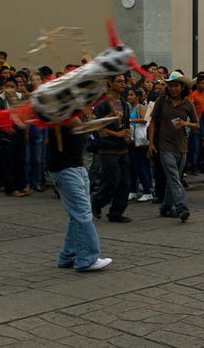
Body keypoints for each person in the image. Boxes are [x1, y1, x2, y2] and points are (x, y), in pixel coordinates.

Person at [49, 119, 112, 272]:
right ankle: (86, 259)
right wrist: (106, 120)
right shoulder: (63, 109)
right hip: (65, 168)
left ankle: (68, 255)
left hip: (76, 166)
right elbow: (79, 126)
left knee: (78, 214)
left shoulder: (69, 107)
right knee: (82, 213)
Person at [148, 71, 198, 221]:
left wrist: (185, 123)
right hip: (165, 146)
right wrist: (151, 143)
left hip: (182, 146)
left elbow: (197, 124)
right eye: (170, 86)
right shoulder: (161, 102)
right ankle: (182, 207)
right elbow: (153, 123)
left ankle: (165, 207)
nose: (172, 89)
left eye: (175, 86)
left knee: (173, 179)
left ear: (182, 87)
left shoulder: (188, 103)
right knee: (174, 177)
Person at [92, 75, 133, 223]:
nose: (123, 85)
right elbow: (98, 127)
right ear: (110, 83)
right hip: (108, 148)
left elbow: (127, 125)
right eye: (119, 81)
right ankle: (97, 202)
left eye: (124, 82)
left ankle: (116, 212)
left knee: (125, 182)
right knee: (112, 180)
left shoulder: (123, 103)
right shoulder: (103, 103)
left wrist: (128, 135)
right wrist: (117, 134)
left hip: (122, 148)